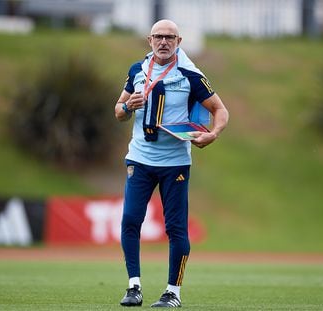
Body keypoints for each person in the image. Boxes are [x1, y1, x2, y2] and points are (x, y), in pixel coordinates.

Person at [115, 19, 229, 308]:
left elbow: (219, 109)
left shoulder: (190, 74)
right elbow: (118, 111)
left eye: (170, 37)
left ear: (179, 42)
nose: (163, 42)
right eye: (158, 37)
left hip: (175, 162)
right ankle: (133, 287)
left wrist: (213, 134)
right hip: (139, 159)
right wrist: (129, 106)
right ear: (149, 40)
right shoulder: (136, 71)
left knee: (176, 228)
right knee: (130, 220)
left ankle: (172, 293)